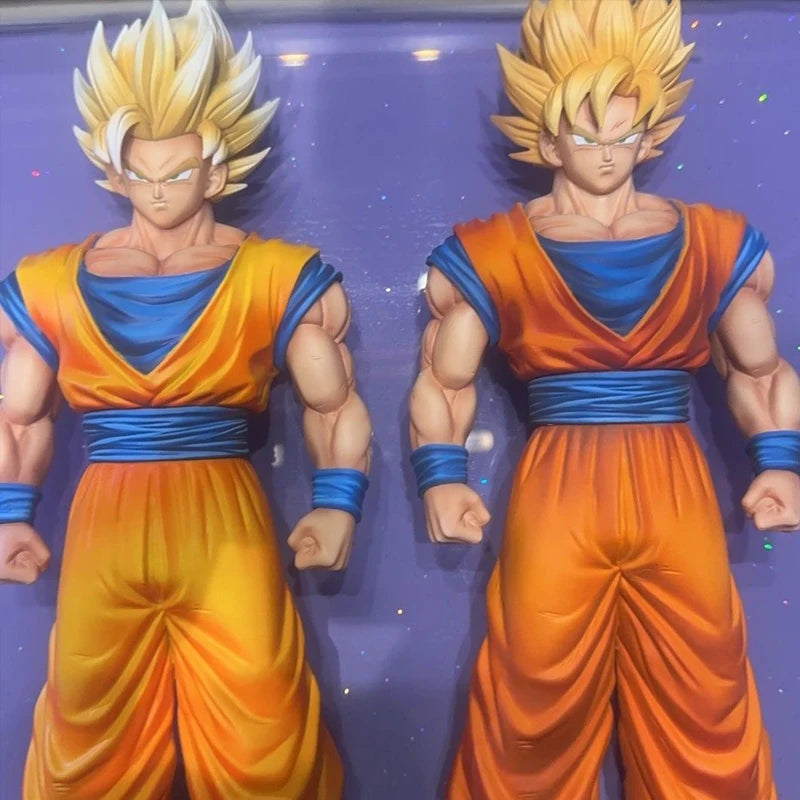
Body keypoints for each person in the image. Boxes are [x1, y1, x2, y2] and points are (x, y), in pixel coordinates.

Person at [408, 1, 800, 798]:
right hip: (560, 484)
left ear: (651, 136)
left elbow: (760, 369)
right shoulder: (492, 250)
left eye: (625, 133)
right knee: (530, 689)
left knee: (705, 687)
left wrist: (780, 461)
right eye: (586, 136)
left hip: (673, 481)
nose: (608, 153)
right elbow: (445, 380)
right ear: (548, 139)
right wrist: (442, 477)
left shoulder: (714, 241)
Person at [0, 1, 371, 797]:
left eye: (176, 173)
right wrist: (9, 512)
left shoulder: (277, 275)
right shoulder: (48, 283)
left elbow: (332, 403)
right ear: (114, 172)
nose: (159, 191)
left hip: (221, 512)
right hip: (105, 519)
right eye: (142, 173)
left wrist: (338, 500)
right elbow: (18, 415)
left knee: (261, 729)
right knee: (86, 727)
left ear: (216, 171)